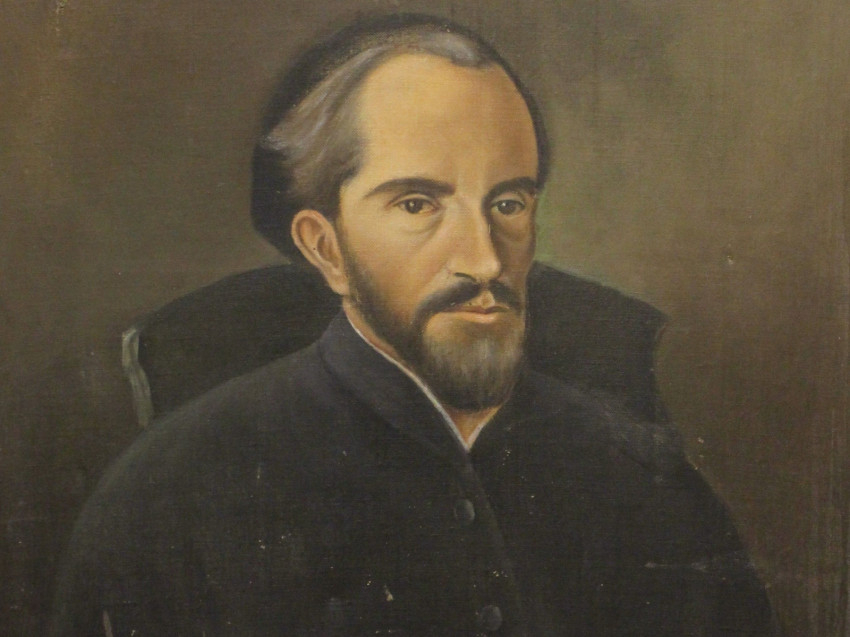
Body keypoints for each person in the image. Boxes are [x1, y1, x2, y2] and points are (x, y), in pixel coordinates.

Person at [52, 14, 776, 636]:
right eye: (417, 205)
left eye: (508, 203)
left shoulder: (652, 485)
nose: (484, 259)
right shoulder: (171, 497)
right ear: (325, 248)